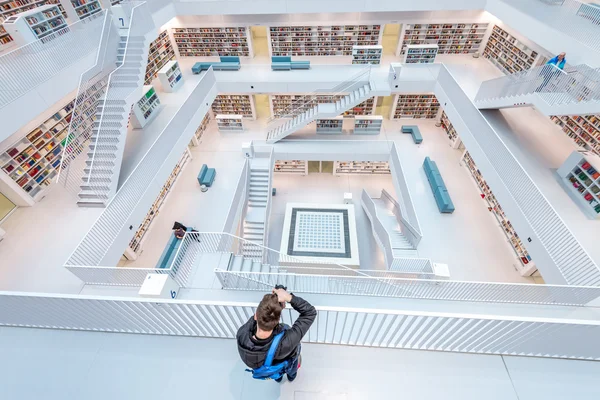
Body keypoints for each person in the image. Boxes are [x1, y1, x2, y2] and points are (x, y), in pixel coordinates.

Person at [237, 287, 316, 382]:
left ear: (255, 315)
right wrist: (288, 297)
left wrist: (272, 308)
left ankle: (278, 378)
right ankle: (291, 377)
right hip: (288, 363)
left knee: (276, 374)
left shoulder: (242, 335)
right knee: (292, 371)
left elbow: (259, 318)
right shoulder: (286, 342)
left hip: (270, 369)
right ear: (278, 320)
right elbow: (310, 312)